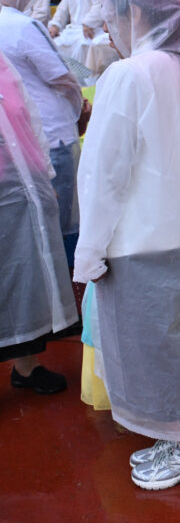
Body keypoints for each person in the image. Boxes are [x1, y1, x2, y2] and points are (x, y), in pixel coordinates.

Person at [75, 0, 180, 490]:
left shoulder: (129, 75)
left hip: (142, 236)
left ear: (137, 16)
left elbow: (104, 172)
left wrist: (90, 249)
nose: (113, 32)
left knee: (154, 347)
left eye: (116, 19)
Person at [0, 52, 78, 396]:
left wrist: (45, 176)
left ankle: (26, 366)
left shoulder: (3, 65)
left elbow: (29, 119)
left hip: (22, 190)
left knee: (25, 275)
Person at [0, 0, 84, 267]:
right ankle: (71, 295)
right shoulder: (23, 26)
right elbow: (60, 76)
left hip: (18, 139)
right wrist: (77, 99)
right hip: (52, 136)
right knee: (62, 223)